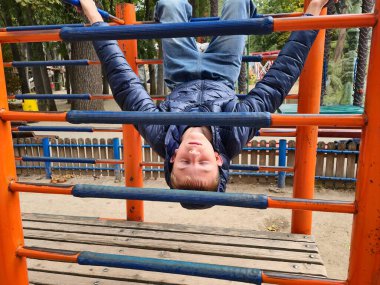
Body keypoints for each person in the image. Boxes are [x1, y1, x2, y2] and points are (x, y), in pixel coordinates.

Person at [79, 0, 328, 209]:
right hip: (222, 70)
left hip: (180, 71)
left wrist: (92, 15)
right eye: (204, 164)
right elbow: (277, 82)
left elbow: (123, 81)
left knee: (169, 4)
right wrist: (313, 12)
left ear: (173, 158)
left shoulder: (160, 133)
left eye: (185, 163)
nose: (194, 154)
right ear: (218, 159)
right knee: (237, 3)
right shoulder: (235, 132)